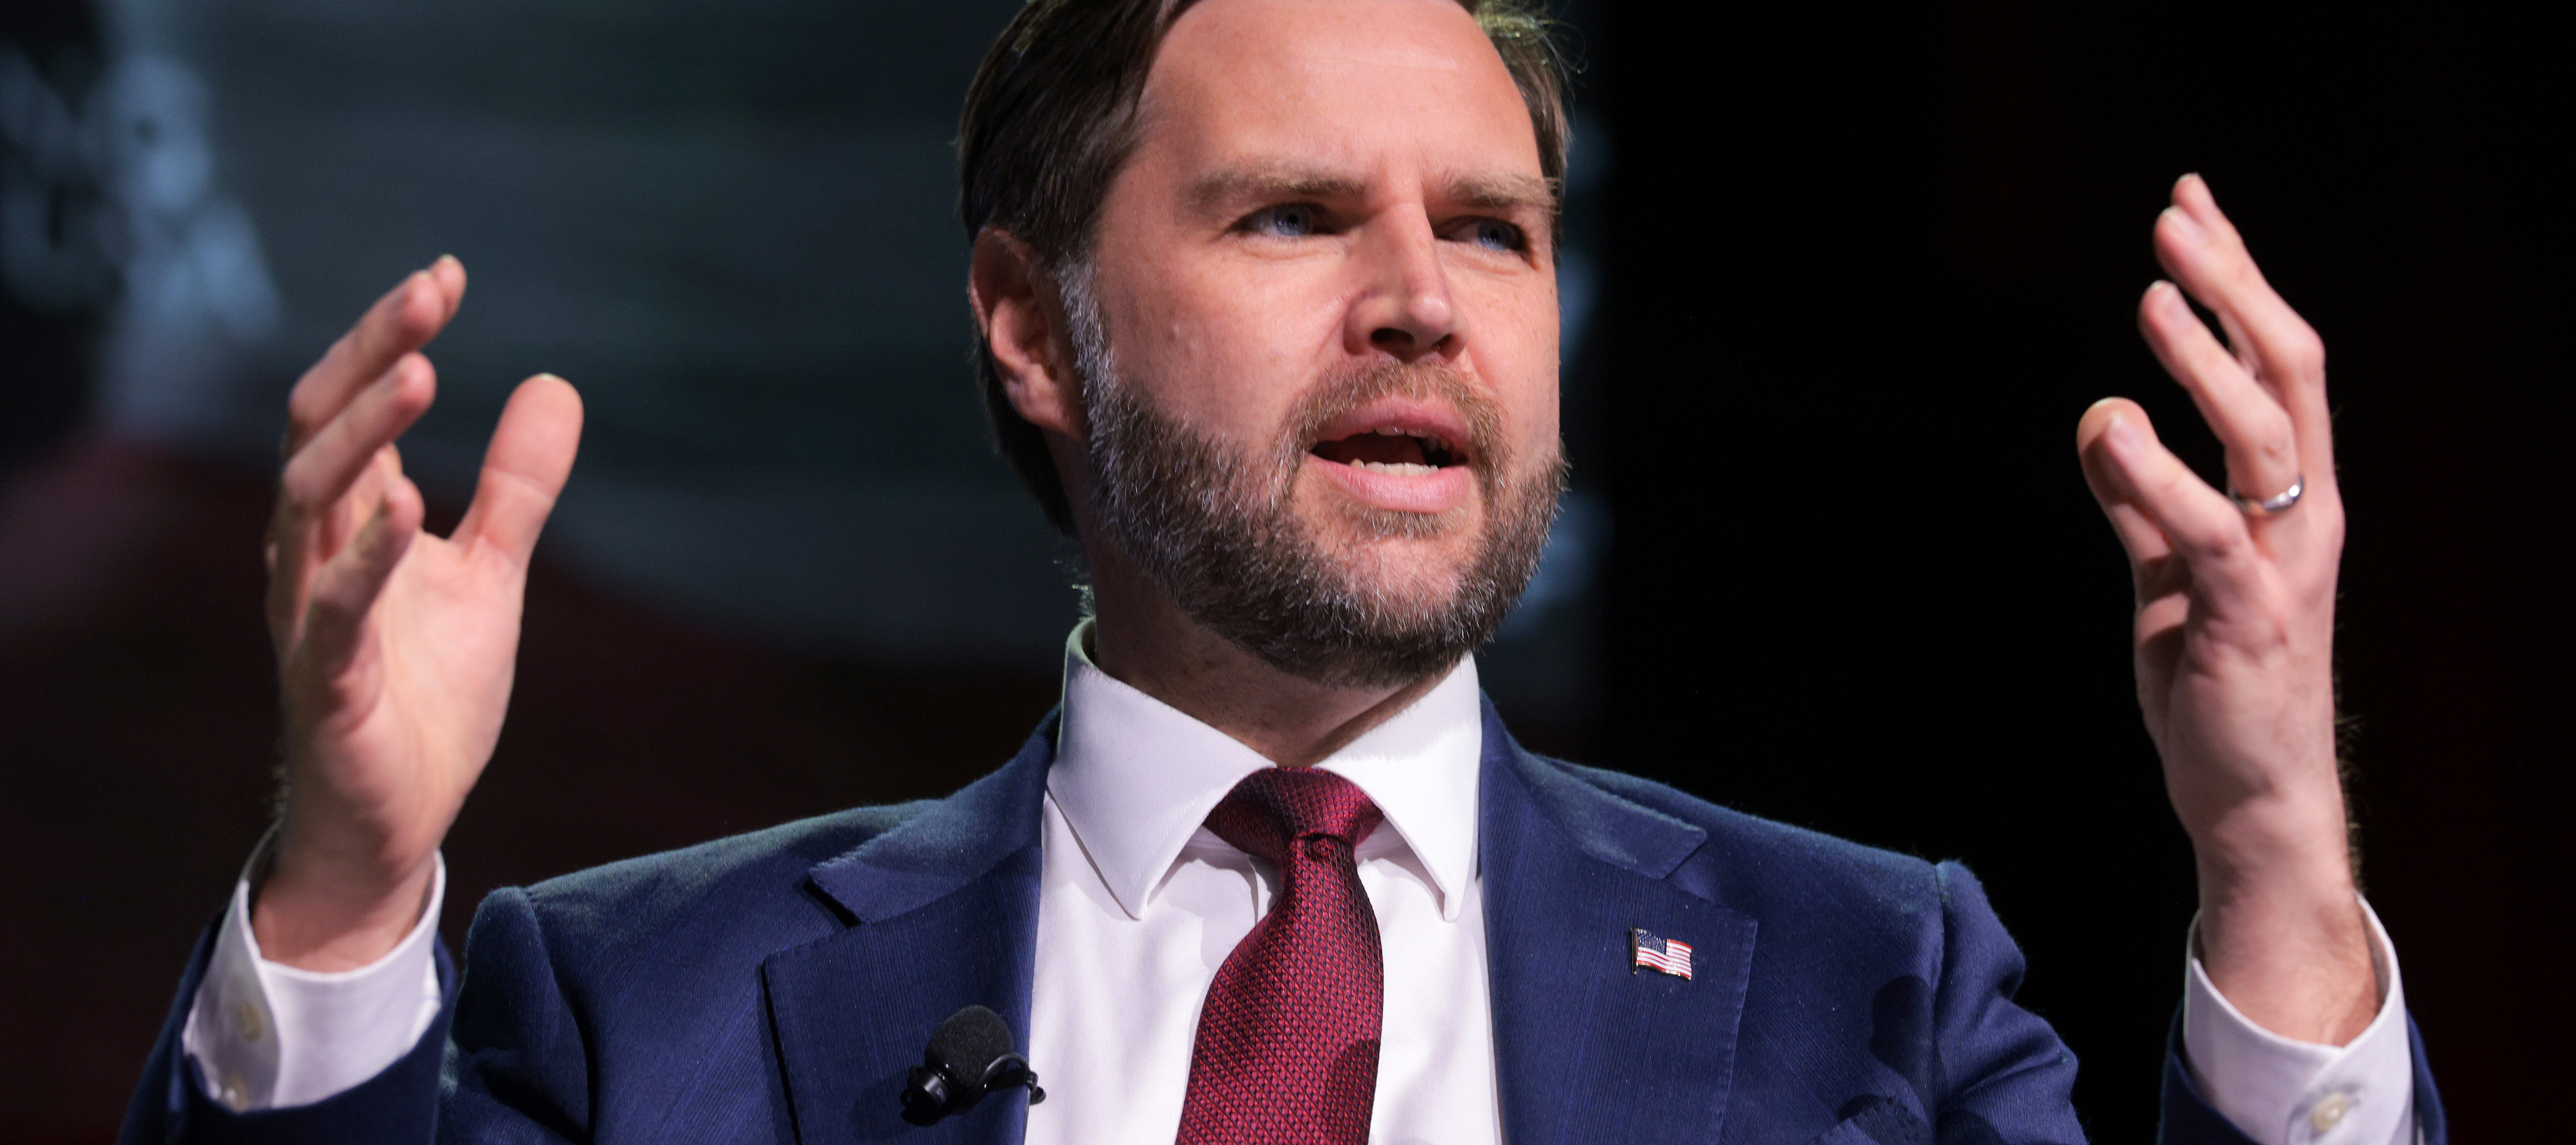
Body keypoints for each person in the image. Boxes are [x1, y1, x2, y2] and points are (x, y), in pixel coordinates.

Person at [118, 0, 2441, 1141]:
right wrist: (340, 892)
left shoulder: (1868, 994)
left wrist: (2267, 860)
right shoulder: (647, 1013)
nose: (1426, 299)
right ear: (1032, 327)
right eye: (1295, 215)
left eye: (1499, 232)